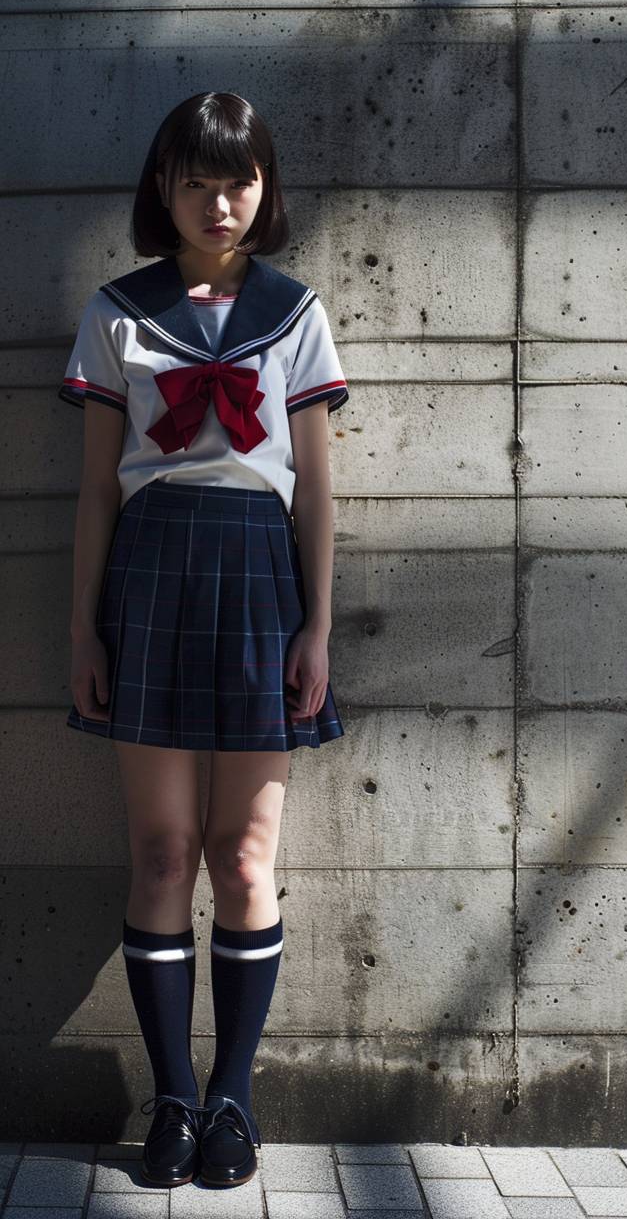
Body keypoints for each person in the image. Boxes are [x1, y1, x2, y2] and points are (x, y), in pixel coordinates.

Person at [58, 91, 350, 1190]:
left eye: (239, 180)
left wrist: (316, 625)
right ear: (163, 189)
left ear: (264, 189)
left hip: (258, 580)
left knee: (241, 858)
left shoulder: (294, 311)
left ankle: (234, 1094)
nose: (219, 201)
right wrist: (82, 625)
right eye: (197, 180)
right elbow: (94, 491)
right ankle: (171, 1096)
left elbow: (315, 490)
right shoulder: (117, 312)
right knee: (162, 854)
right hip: (150, 575)